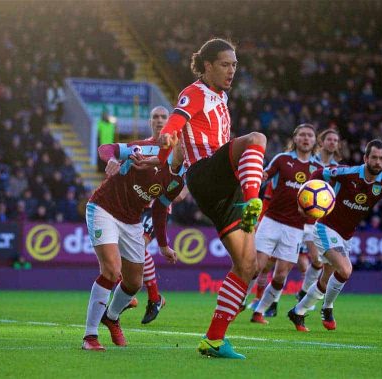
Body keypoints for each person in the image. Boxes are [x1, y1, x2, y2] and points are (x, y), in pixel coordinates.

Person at [156, 38, 266, 359]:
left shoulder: (220, 97)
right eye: (224, 64)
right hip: (206, 173)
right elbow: (179, 116)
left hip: (219, 188)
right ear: (207, 66)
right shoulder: (195, 92)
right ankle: (251, 202)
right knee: (256, 138)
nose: (232, 70)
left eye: (234, 65)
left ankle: (213, 340)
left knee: (248, 266)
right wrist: (170, 133)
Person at [289, 139, 382, 331]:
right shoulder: (347, 173)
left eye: (381, 158)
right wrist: (304, 197)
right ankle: (328, 308)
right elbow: (319, 173)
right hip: (326, 227)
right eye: (373, 157)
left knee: (326, 279)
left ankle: (297, 312)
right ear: (365, 158)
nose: (377, 162)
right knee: (346, 270)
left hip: (346, 236)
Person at [82, 131, 185, 351]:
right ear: (176, 142)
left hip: (132, 221)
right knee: (111, 270)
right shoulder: (147, 150)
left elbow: (159, 209)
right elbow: (106, 148)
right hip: (104, 209)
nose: (187, 149)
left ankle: (111, 317)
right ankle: (90, 336)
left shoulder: (178, 179)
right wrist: (111, 160)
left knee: (134, 283)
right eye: (184, 143)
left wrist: (164, 244)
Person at [104, 106, 188, 324]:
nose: (159, 121)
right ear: (150, 121)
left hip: (155, 208)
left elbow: (182, 188)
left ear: (170, 122)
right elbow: (113, 154)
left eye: (163, 117)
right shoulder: (143, 148)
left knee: (138, 246)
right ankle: (130, 293)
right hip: (132, 208)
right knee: (120, 250)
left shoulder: (179, 153)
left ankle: (153, 298)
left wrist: (176, 189)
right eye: (155, 117)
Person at [249, 124, 317, 325]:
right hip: (271, 221)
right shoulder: (282, 159)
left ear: (314, 141)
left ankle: (259, 311)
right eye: (302, 135)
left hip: (295, 228)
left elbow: (323, 200)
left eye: (310, 136)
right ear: (295, 138)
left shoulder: (318, 169)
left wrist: (311, 211)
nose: (305, 138)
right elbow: (265, 175)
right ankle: (239, 303)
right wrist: (257, 177)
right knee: (257, 267)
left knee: (280, 276)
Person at [297, 129, 341, 303]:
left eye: (335, 140)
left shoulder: (337, 168)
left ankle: (303, 292)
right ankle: (262, 299)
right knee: (275, 263)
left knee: (316, 261)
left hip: (315, 220)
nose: (332, 142)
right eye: (329, 139)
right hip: (295, 217)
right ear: (321, 142)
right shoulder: (309, 160)